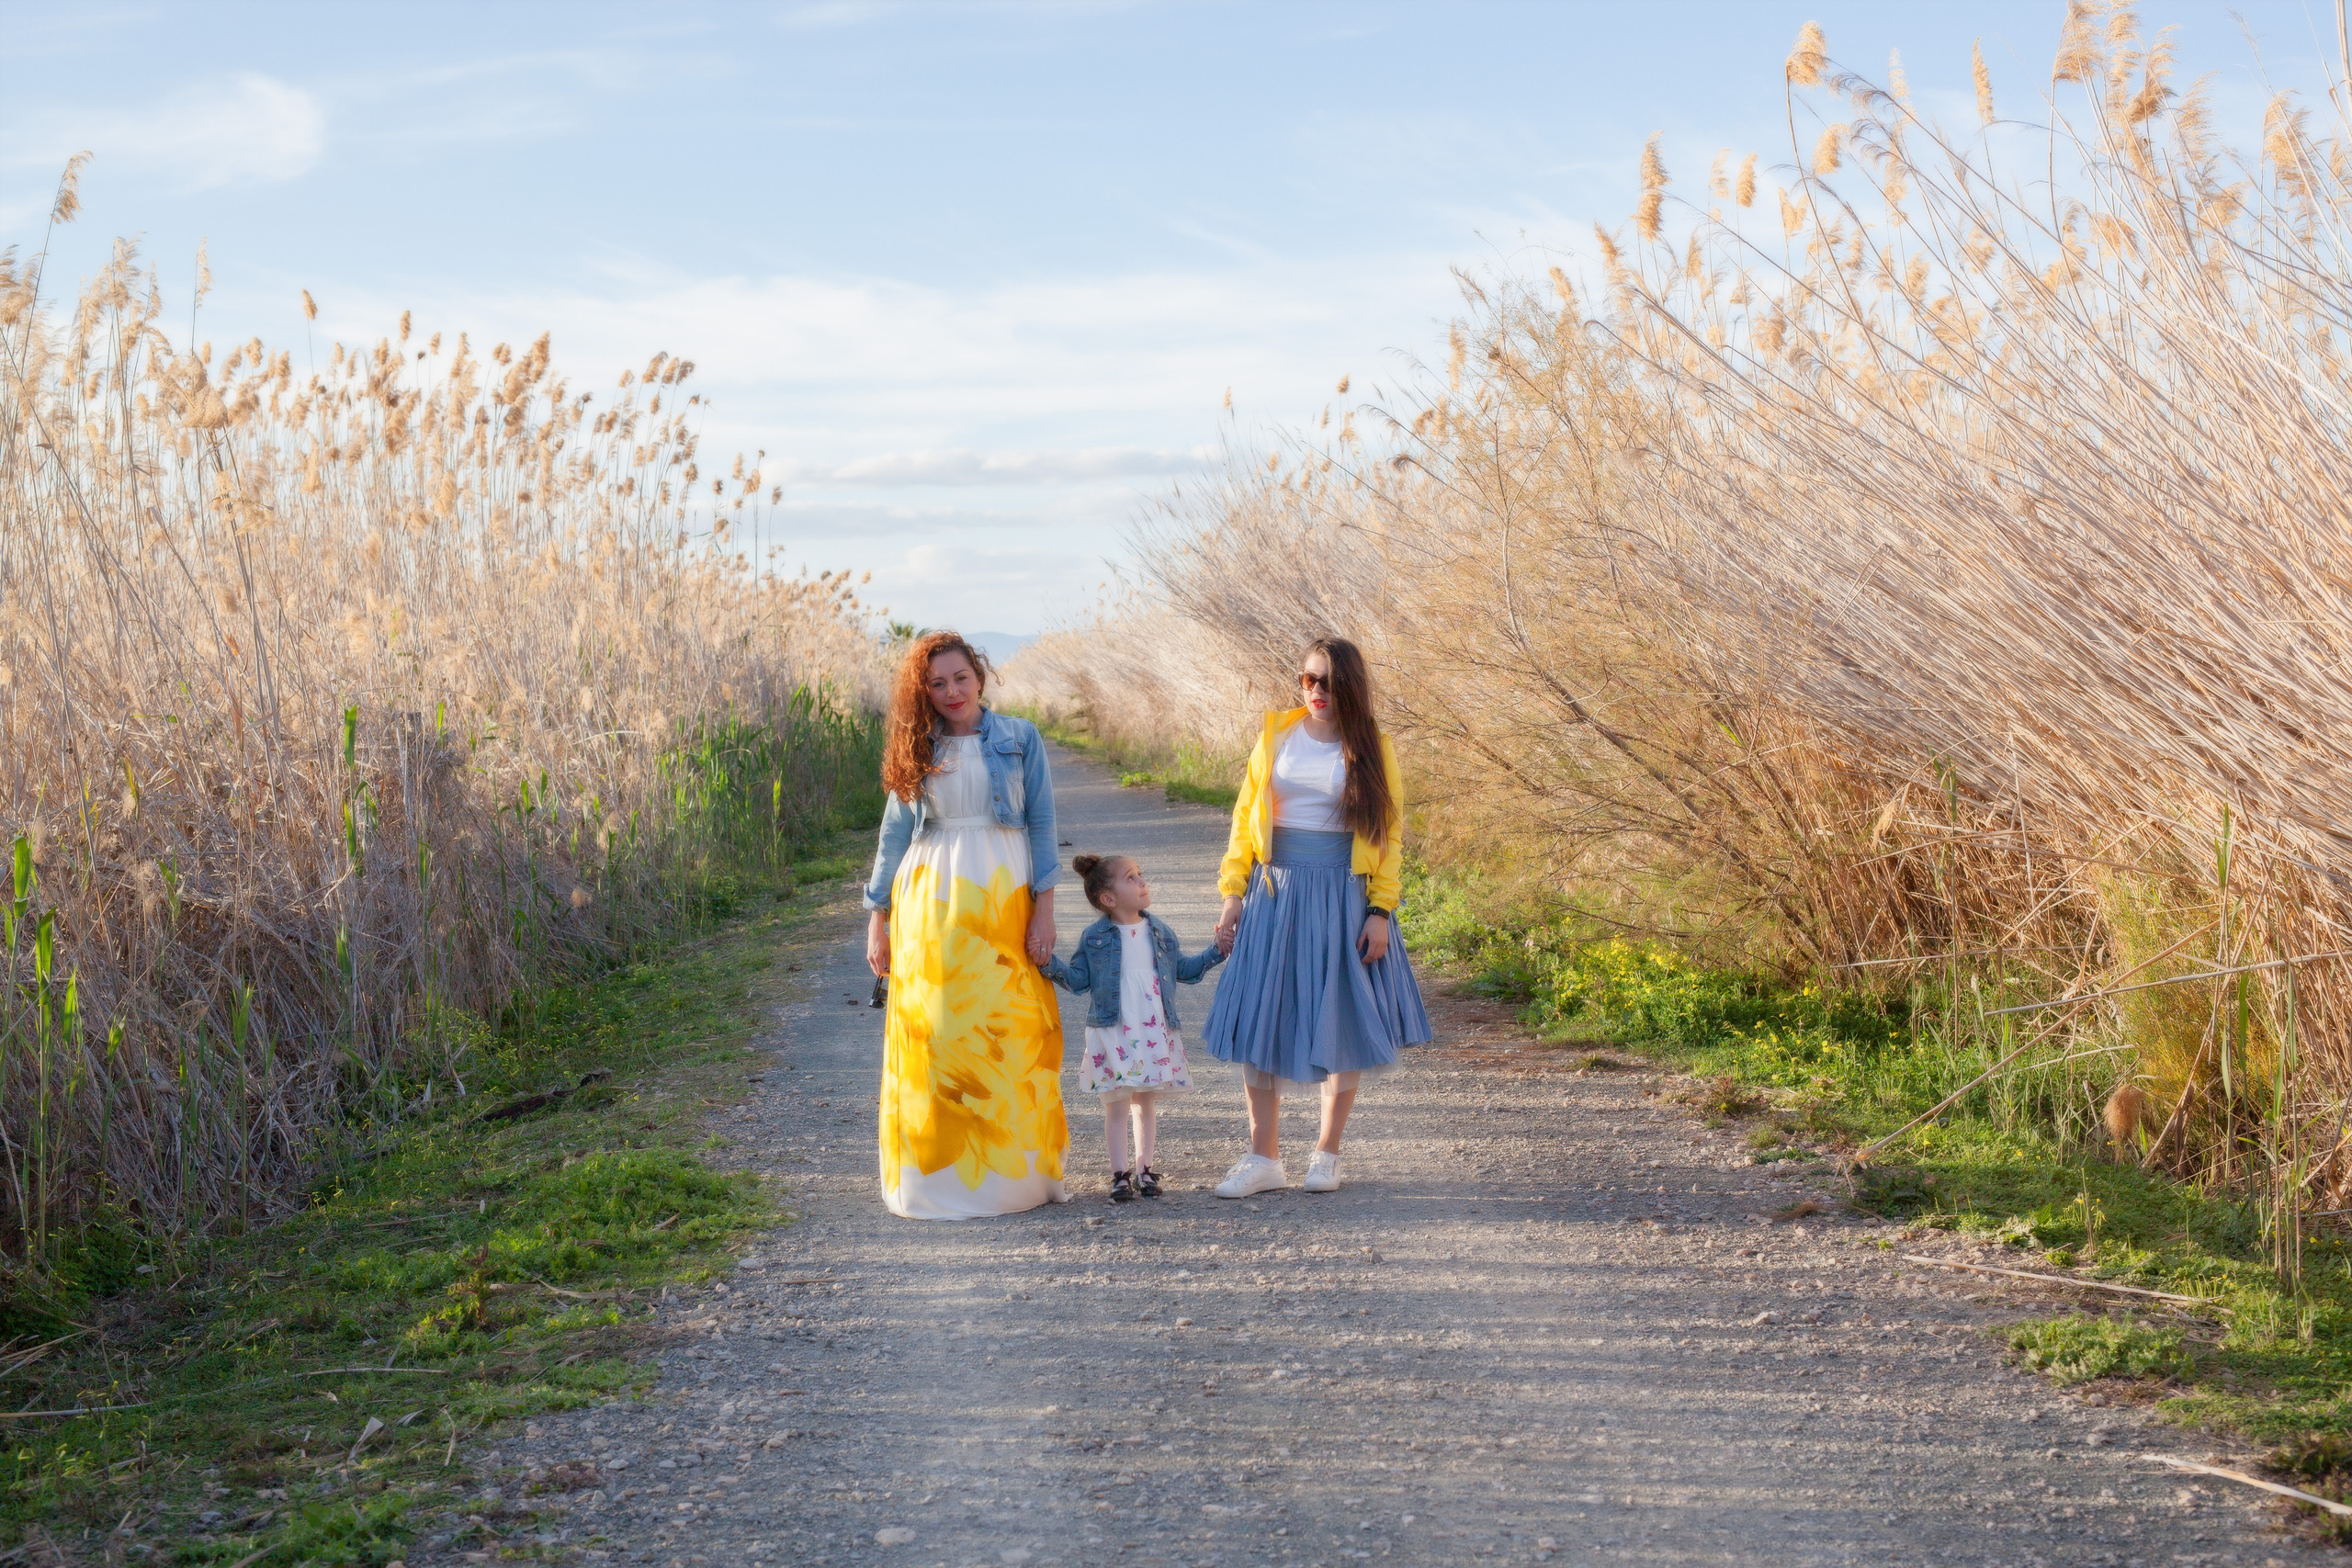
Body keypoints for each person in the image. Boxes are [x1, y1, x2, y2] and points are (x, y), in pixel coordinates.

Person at [1201, 637, 1430, 1197]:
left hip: (1342, 893)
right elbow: (1243, 816)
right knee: (1262, 1013)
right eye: (1307, 680)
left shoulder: (1373, 746)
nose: (1316, 692)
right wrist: (1234, 894)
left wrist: (1380, 909)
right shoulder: (1275, 736)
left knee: (1338, 1014)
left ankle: (1327, 1154)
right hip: (1273, 889)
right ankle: (1263, 1158)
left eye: (1327, 682)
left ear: (1350, 686)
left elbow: (1388, 833)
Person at [864, 632, 1067, 1219]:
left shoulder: (1020, 738)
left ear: (979, 676)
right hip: (932, 893)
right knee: (939, 1027)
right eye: (937, 683)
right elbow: (893, 837)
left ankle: (1013, 1179)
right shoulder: (917, 745)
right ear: (922, 692)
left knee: (1012, 1024)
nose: (952, 691)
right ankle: (935, 1179)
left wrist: (1045, 908)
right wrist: (878, 918)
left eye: (960, 677)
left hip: (1003, 890)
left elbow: (1044, 824)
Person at [1044, 852, 1225, 1202]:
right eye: (1131, 877)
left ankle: (1145, 1171)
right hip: (1114, 1030)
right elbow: (1079, 981)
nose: (1142, 882)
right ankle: (1119, 1174)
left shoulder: (1158, 930)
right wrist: (1047, 963)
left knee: (1145, 1101)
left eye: (1140, 874)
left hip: (1152, 1029)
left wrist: (1217, 950)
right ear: (1108, 899)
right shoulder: (1094, 937)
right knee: (1116, 1103)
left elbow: (1184, 970)